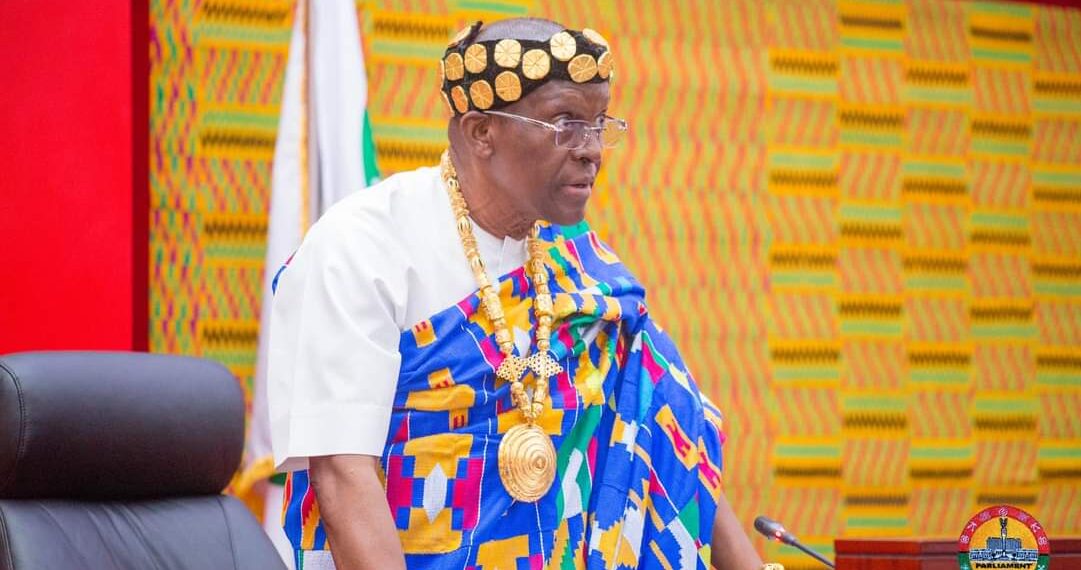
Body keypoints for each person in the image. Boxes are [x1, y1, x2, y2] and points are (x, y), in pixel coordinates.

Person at [268, 16, 765, 570]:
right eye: (564, 124)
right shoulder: (359, 248)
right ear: (483, 132)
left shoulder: (581, 268)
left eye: (600, 123)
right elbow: (342, 475)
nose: (591, 149)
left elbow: (672, 435)